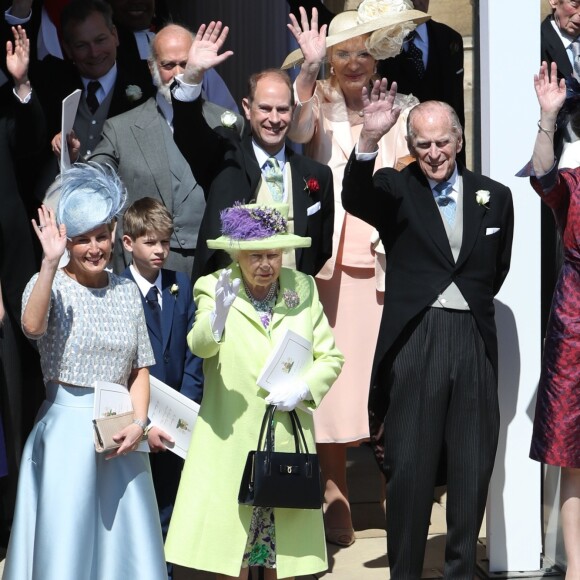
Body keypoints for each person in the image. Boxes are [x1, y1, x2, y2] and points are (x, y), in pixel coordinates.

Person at [341, 82, 514, 578]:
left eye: (442, 142)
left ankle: (461, 568)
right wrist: (369, 141)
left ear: (459, 141)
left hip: (473, 341)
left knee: (471, 466)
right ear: (411, 146)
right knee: (411, 469)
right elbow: (355, 196)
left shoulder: (495, 196)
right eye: (423, 144)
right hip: (417, 338)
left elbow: (494, 270)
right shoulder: (397, 189)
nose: (434, 153)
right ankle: (407, 572)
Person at [284, 2, 426, 546]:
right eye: (342, 53)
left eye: (363, 51)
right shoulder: (314, 103)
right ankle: (335, 496)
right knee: (333, 384)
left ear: (378, 55)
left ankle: (399, 497)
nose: (353, 61)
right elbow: (296, 133)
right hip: (329, 268)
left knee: (390, 381)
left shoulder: (400, 103)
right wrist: (308, 69)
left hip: (387, 264)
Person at [2, 163, 168, 580]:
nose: (94, 248)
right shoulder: (51, 284)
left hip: (121, 434)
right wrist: (49, 263)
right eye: (82, 240)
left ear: (114, 236)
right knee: (68, 544)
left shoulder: (127, 290)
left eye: (101, 237)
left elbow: (139, 369)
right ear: (68, 243)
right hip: (66, 434)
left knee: (123, 549)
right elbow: (32, 326)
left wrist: (140, 423)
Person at [165, 203, 344, 579]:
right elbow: (199, 346)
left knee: (281, 555)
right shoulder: (214, 286)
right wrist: (217, 318)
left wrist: (304, 387)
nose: (267, 264)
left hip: (285, 438)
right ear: (236, 255)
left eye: (274, 255)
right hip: (233, 441)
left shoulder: (302, 287)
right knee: (237, 556)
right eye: (256, 256)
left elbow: (330, 356)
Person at [55, 23, 244, 276]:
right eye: (168, 65)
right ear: (151, 67)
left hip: (213, 268)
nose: (178, 74)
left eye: (186, 64)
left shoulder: (228, 124)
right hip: (145, 274)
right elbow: (95, 179)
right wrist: (73, 157)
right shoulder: (119, 128)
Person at [169, 21, 334, 282]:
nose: (274, 118)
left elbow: (321, 249)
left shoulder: (316, 174)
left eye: (282, 109)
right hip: (233, 300)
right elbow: (190, 133)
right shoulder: (224, 157)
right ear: (247, 108)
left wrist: (311, 68)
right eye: (265, 108)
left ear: (292, 111)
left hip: (290, 302)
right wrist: (192, 76)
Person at [120, 196, 203, 580]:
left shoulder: (179, 284)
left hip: (175, 419)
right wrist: (145, 421)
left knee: (170, 503)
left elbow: (193, 353)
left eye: (165, 242)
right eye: (150, 242)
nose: (160, 250)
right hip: (136, 421)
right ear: (127, 243)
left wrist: (184, 407)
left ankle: (166, 572)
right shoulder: (117, 290)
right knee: (138, 507)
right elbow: (119, 369)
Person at [521, 60, 580, 580]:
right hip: (576, 326)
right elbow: (540, 174)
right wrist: (547, 117)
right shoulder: (574, 183)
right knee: (573, 455)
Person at [0, 24, 45, 538]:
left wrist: (21, 85)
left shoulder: (5, 100)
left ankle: (12, 518)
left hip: (10, 278)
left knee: (14, 402)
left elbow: (30, 150)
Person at [377, 0, 465, 162]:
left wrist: (460, 168)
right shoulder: (378, 41)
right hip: (394, 154)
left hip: (441, 155)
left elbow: (456, 107)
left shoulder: (450, 39)